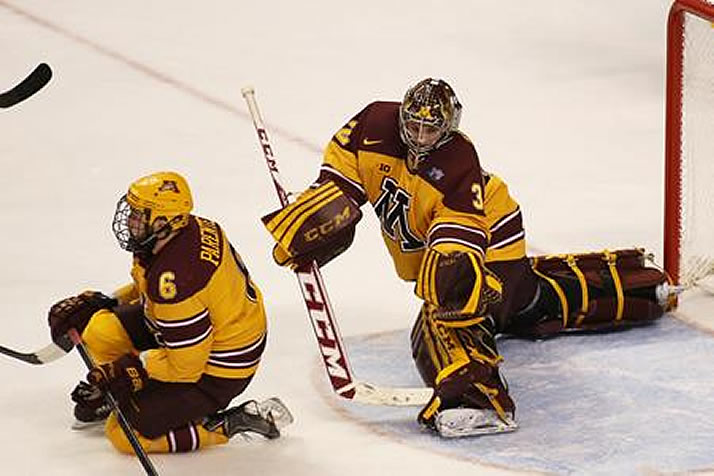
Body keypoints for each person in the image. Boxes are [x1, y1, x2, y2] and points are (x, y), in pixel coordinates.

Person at [260, 78, 676, 437]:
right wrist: (322, 212)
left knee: (445, 316)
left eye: (430, 129)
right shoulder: (373, 124)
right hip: (458, 241)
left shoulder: (458, 159)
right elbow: (341, 173)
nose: (420, 136)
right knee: (525, 304)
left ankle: (482, 401)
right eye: (414, 125)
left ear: (449, 128)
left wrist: (453, 287)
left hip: (492, 239)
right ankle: (638, 284)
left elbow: (457, 249)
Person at [47, 171, 292, 454]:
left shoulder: (177, 282)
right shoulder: (180, 233)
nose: (129, 220)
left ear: (165, 222)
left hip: (218, 368)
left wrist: (131, 369)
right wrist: (108, 301)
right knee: (100, 331)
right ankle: (132, 397)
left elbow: (186, 367)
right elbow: (152, 290)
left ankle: (226, 425)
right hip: (195, 333)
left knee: (124, 434)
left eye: (139, 215)